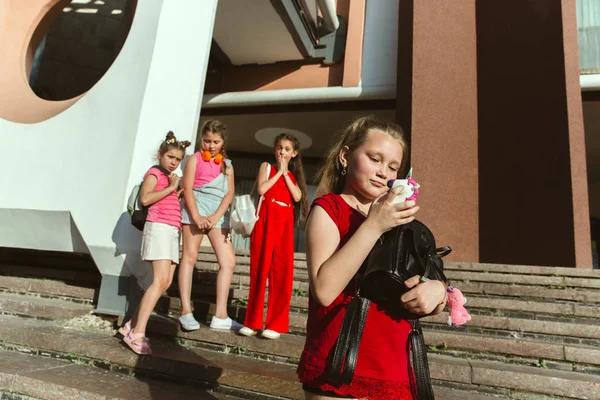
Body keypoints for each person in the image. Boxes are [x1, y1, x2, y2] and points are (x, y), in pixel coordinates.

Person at [297, 116, 448, 399]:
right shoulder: (329, 209)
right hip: (341, 361)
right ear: (345, 156)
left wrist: (437, 292)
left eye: (393, 166)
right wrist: (374, 224)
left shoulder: (401, 221)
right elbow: (325, 290)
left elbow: (425, 286)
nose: (383, 172)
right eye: (374, 159)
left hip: (395, 365)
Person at [120, 131, 190, 355]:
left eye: (178, 159)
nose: (174, 162)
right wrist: (170, 188)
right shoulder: (154, 173)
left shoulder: (168, 177)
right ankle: (137, 332)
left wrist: (173, 192)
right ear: (160, 154)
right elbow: (145, 198)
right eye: (170, 156)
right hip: (158, 228)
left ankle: (130, 325)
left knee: (165, 282)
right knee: (159, 281)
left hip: (170, 230)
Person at [239, 133, 308, 339]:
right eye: (279, 148)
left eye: (287, 149)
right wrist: (279, 172)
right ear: (274, 150)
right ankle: (252, 321)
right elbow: (262, 189)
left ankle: (275, 324)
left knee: (282, 273)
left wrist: (286, 174)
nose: (282, 152)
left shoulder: (294, 177)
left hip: (284, 226)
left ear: (294, 153)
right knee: (259, 270)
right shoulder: (266, 167)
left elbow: (297, 197)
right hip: (265, 222)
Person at [178, 120, 241, 331]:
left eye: (215, 141)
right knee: (189, 257)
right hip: (194, 210)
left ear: (223, 142)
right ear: (201, 140)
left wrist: (214, 217)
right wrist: (196, 217)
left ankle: (221, 315)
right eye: (207, 141)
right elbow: (187, 188)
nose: (211, 146)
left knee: (228, 261)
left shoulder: (228, 165)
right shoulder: (194, 159)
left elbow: (230, 193)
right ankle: (186, 311)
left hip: (217, 216)